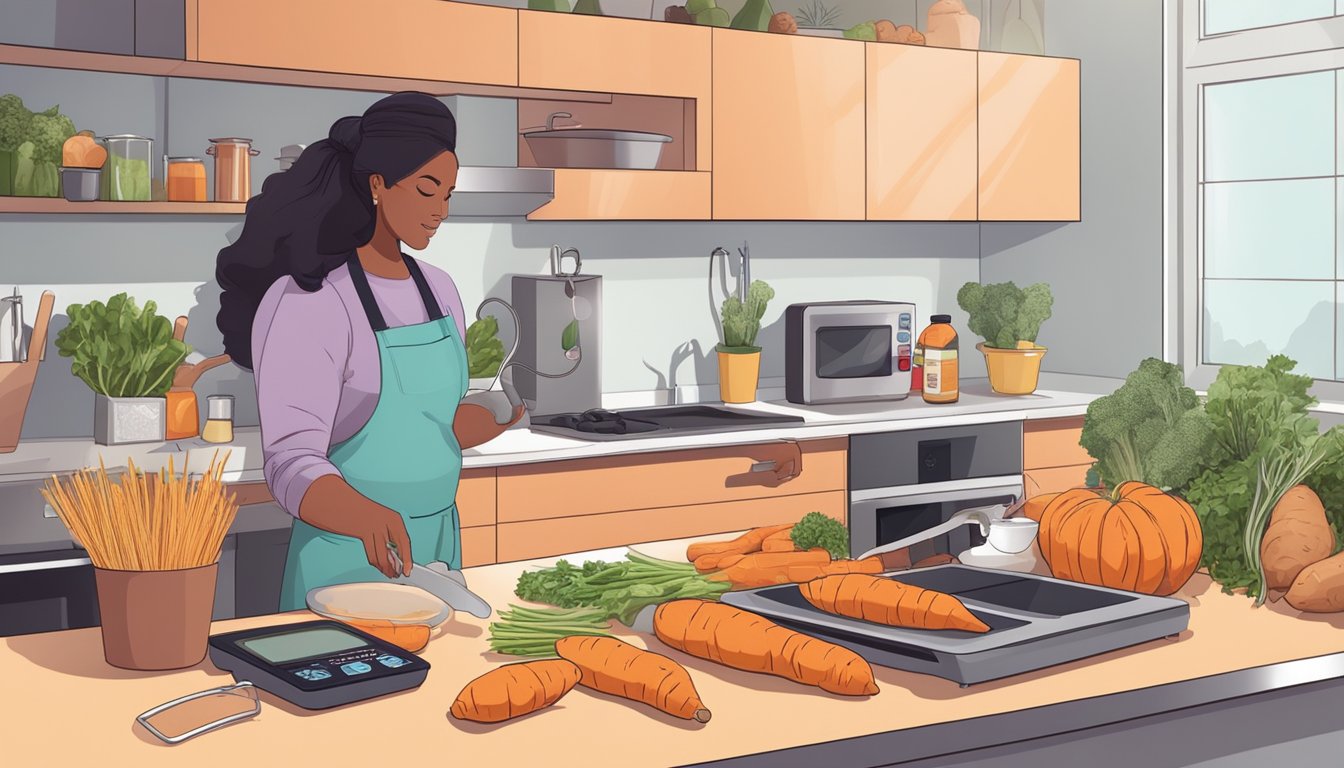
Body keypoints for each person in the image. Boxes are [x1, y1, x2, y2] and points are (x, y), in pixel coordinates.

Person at [216, 92, 523, 611]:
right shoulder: (309, 300)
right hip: (347, 556)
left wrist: (486, 421)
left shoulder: (441, 289)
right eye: (428, 190)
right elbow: (290, 461)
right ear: (377, 183)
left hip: (439, 548)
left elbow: (429, 429)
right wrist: (363, 516)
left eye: (449, 194)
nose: (441, 211)